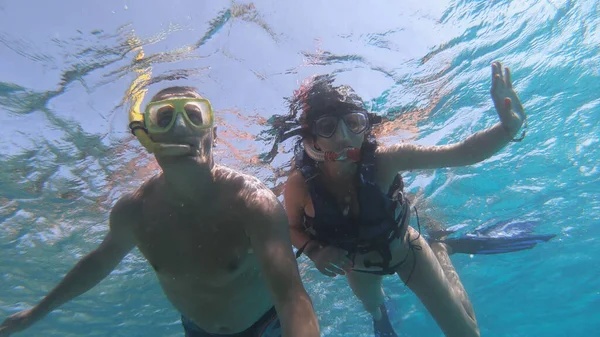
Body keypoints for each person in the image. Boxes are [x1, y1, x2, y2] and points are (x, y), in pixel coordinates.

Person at [0, 84, 320, 337]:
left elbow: (292, 297)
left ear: (214, 133)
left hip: (268, 326)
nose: (181, 127)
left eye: (195, 117)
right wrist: (36, 312)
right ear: (149, 138)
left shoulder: (253, 203)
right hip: (197, 331)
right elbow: (97, 264)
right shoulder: (134, 211)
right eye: (164, 119)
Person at [273, 61, 530, 337]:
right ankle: (380, 317)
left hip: (408, 252)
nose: (343, 136)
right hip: (358, 268)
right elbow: (290, 228)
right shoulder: (300, 185)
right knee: (373, 309)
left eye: (354, 123)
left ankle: (441, 248)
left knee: (468, 333)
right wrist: (315, 251)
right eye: (327, 127)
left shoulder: (387, 160)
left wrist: (508, 128)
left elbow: (462, 153)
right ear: (312, 136)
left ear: (365, 126)